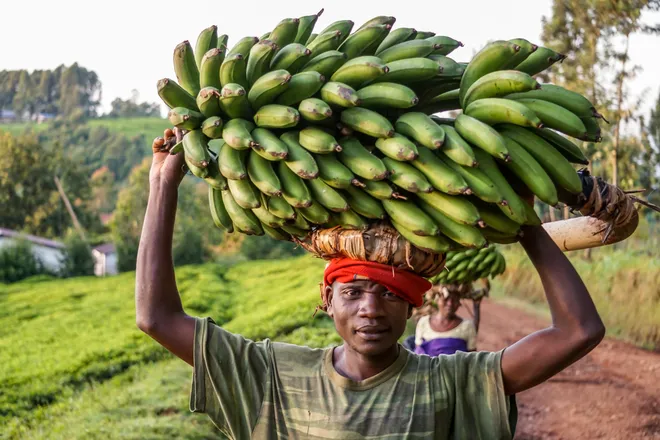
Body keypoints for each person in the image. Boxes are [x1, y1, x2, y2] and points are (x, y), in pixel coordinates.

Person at [136, 128, 605, 439]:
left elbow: (578, 332)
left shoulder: (453, 382)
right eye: (353, 292)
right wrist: (162, 184)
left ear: (412, 306)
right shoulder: (274, 375)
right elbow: (155, 318)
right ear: (328, 298)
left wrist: (521, 218)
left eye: (389, 293)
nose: (371, 309)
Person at [413, 286, 479, 356]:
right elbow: (418, 355)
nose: (450, 304)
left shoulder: (467, 326)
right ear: (437, 300)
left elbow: (472, 358)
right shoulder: (424, 322)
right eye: (446, 299)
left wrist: (477, 308)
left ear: (459, 303)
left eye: (455, 300)